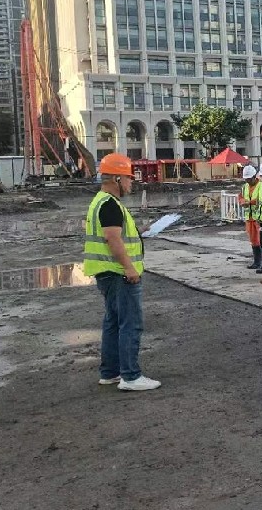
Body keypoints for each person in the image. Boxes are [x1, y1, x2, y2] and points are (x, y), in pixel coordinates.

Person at [83, 153, 160, 391]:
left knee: (113, 323)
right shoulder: (110, 204)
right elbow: (113, 239)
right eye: (128, 178)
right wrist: (129, 268)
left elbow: (115, 234)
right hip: (119, 273)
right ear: (117, 179)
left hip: (107, 273)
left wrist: (139, 231)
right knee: (130, 324)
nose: (131, 183)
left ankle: (110, 372)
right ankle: (131, 376)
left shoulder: (101, 201)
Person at [238, 165, 262, 269]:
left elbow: (261, 199)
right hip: (249, 218)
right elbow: (240, 196)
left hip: (259, 218)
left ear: (254, 177)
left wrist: (249, 203)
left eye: (249, 179)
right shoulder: (245, 186)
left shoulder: (261, 186)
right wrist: (242, 201)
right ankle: (257, 262)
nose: (248, 181)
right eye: (246, 179)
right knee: (254, 241)